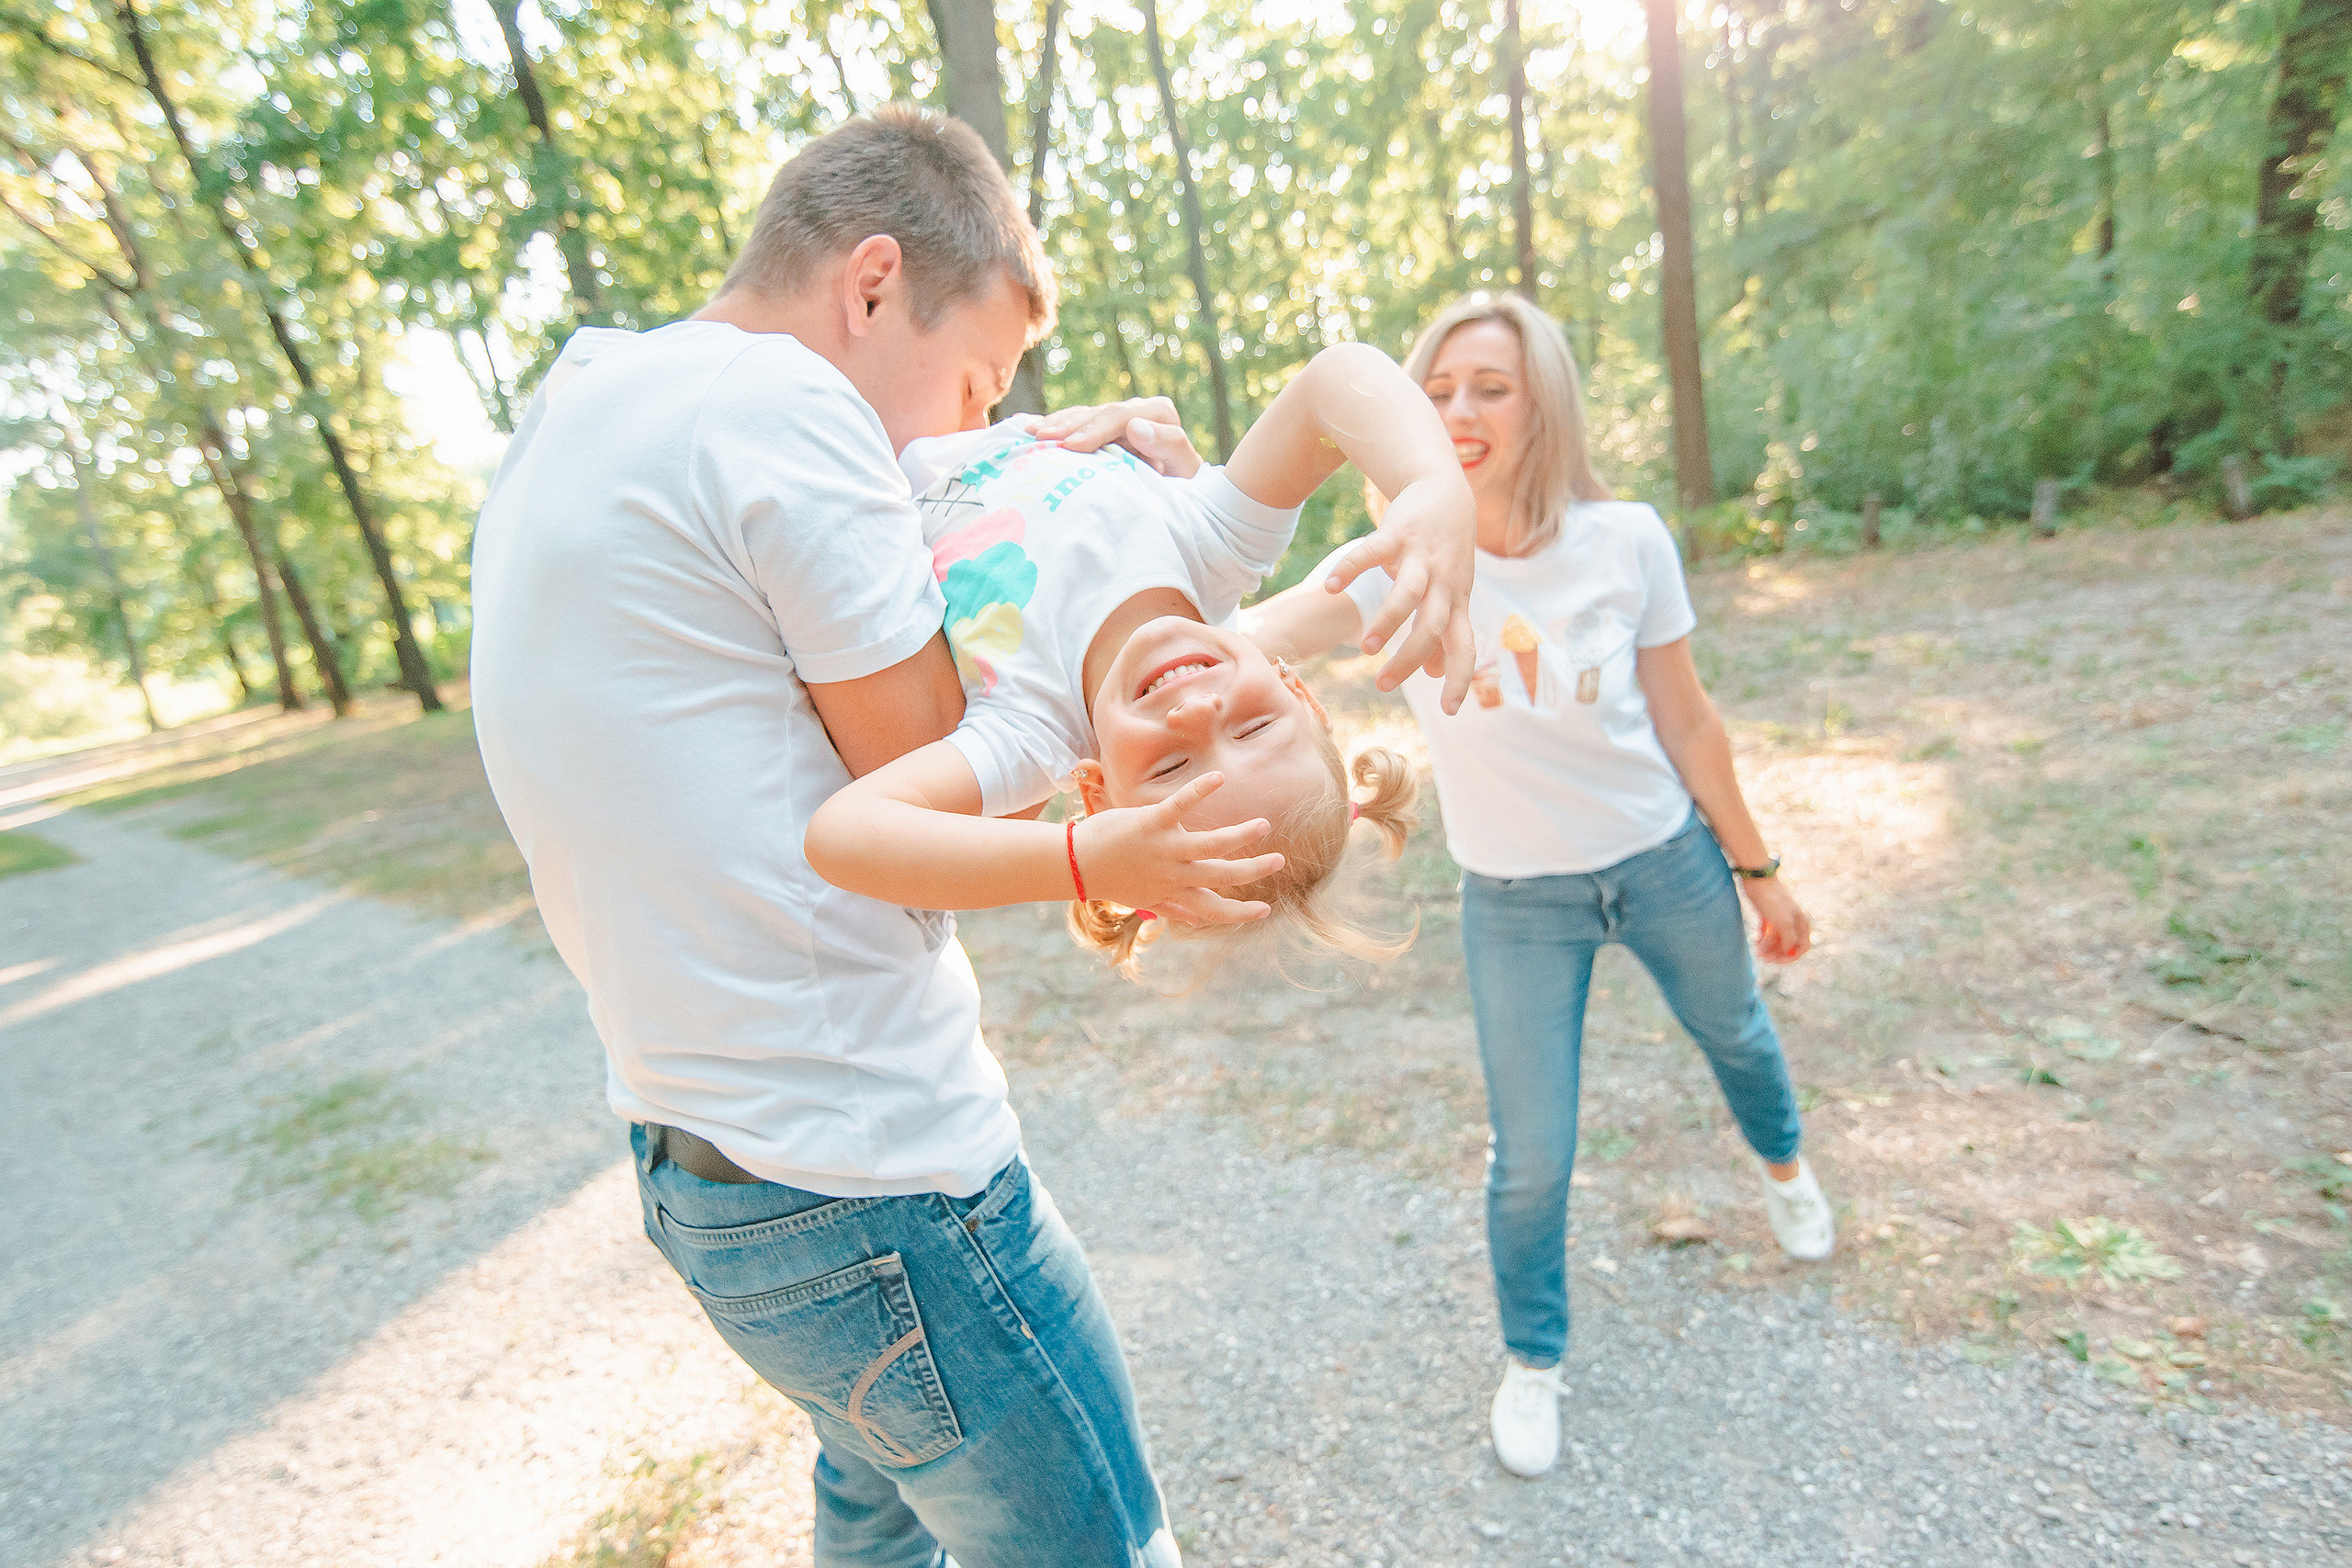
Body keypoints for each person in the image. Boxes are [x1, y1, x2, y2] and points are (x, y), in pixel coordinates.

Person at [473, 108, 1458, 1567]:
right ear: (870, 288)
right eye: (980, 377)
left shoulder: (589, 390)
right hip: (861, 1181)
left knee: (881, 1513)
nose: (975, 421)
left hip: (723, 1164)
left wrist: (1107, 797)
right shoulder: (793, 412)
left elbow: (985, 733)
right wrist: (1425, 489)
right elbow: (1312, 426)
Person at [1247, 293, 1837, 1482]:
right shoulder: (1394, 567)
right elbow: (1247, 635)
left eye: (1491, 386)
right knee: (1532, 1151)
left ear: (1543, 403)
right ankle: (1533, 1358)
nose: (1459, 409)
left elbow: (1687, 717)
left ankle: (1787, 1170)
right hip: (1517, 899)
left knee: (1737, 1030)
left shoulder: (1627, 542)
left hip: (1663, 861)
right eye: (1440, 388)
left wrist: (1756, 865)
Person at [804, 341, 1476, 977]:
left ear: (1097, 796)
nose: (1195, 710)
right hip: (967, 374)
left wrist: (1079, 863)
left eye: (1170, 765)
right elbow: (1335, 382)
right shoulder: (1218, 546)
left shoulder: (1029, 729)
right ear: (1294, 690)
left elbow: (841, 835)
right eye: (1253, 726)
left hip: (861, 411)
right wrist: (1432, 482)